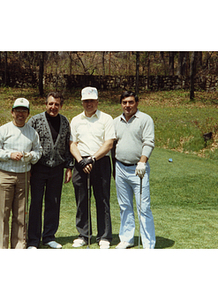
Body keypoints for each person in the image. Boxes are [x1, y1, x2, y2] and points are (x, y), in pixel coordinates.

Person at [0, 98, 42, 249]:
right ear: (12, 112)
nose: (20, 114)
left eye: (24, 111)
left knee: (20, 214)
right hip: (5, 175)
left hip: (24, 176)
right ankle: (2, 247)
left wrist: (30, 156)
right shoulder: (3, 130)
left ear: (28, 114)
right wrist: (9, 154)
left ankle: (19, 246)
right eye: (17, 110)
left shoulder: (32, 133)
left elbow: (38, 151)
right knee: (3, 213)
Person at [70, 87, 115, 249]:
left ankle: (104, 236)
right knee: (82, 200)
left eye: (92, 101)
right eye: (86, 101)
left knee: (102, 199)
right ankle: (84, 234)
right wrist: (81, 160)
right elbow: (72, 143)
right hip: (80, 162)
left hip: (100, 162)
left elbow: (109, 143)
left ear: (97, 101)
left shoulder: (106, 119)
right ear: (82, 102)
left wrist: (92, 159)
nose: (89, 104)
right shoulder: (76, 120)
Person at [27, 92, 74, 249]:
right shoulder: (35, 120)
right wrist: (28, 167)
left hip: (57, 168)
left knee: (53, 203)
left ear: (61, 105)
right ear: (45, 104)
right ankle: (33, 240)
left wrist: (69, 166)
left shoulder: (64, 121)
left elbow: (67, 145)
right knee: (36, 203)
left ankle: (49, 236)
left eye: (57, 104)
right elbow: (27, 143)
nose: (53, 107)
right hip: (38, 168)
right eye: (51, 104)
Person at [113, 91, 156, 249]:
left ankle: (148, 244)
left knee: (143, 207)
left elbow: (149, 142)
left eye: (131, 102)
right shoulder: (116, 121)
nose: (127, 105)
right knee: (124, 206)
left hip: (139, 169)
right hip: (120, 167)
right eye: (124, 102)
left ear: (137, 103)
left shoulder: (145, 119)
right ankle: (127, 238)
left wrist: (142, 162)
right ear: (121, 104)